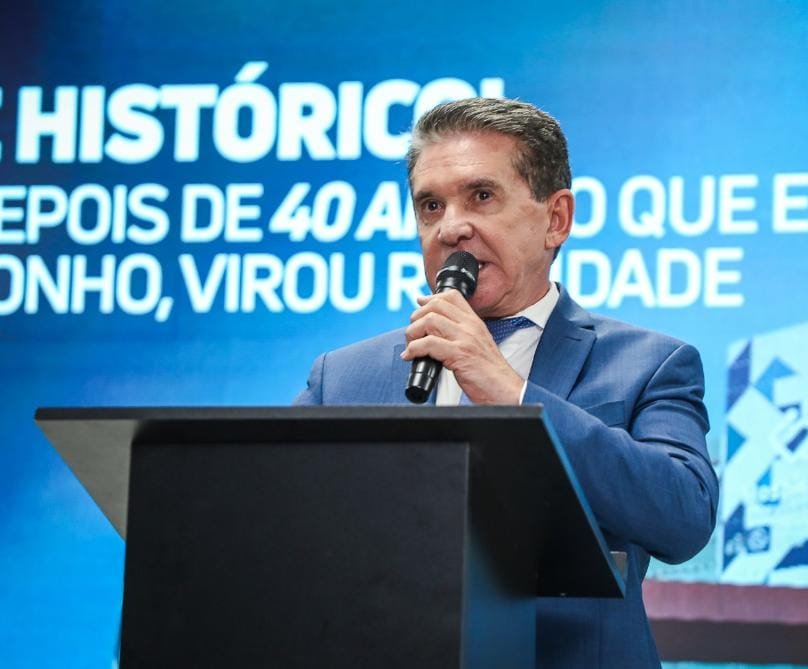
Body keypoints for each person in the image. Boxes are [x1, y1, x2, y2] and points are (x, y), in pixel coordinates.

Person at [295, 97, 718, 667]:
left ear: (556, 219)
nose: (452, 227)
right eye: (430, 206)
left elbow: (684, 518)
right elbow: (273, 525)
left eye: (481, 196)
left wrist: (510, 392)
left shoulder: (650, 364)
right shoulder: (343, 378)